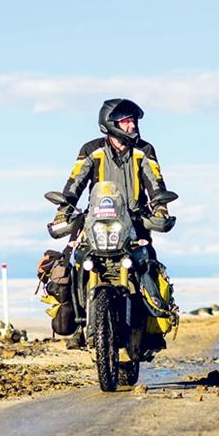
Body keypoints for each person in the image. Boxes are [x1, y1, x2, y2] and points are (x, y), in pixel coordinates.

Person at [53, 98, 177, 347]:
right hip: (96, 220)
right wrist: (64, 209)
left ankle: (153, 329)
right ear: (111, 124)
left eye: (133, 121)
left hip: (133, 221)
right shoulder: (92, 150)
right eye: (127, 121)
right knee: (72, 263)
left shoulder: (144, 151)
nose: (132, 126)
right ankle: (79, 323)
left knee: (148, 266)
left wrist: (160, 209)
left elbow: (156, 184)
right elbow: (75, 182)